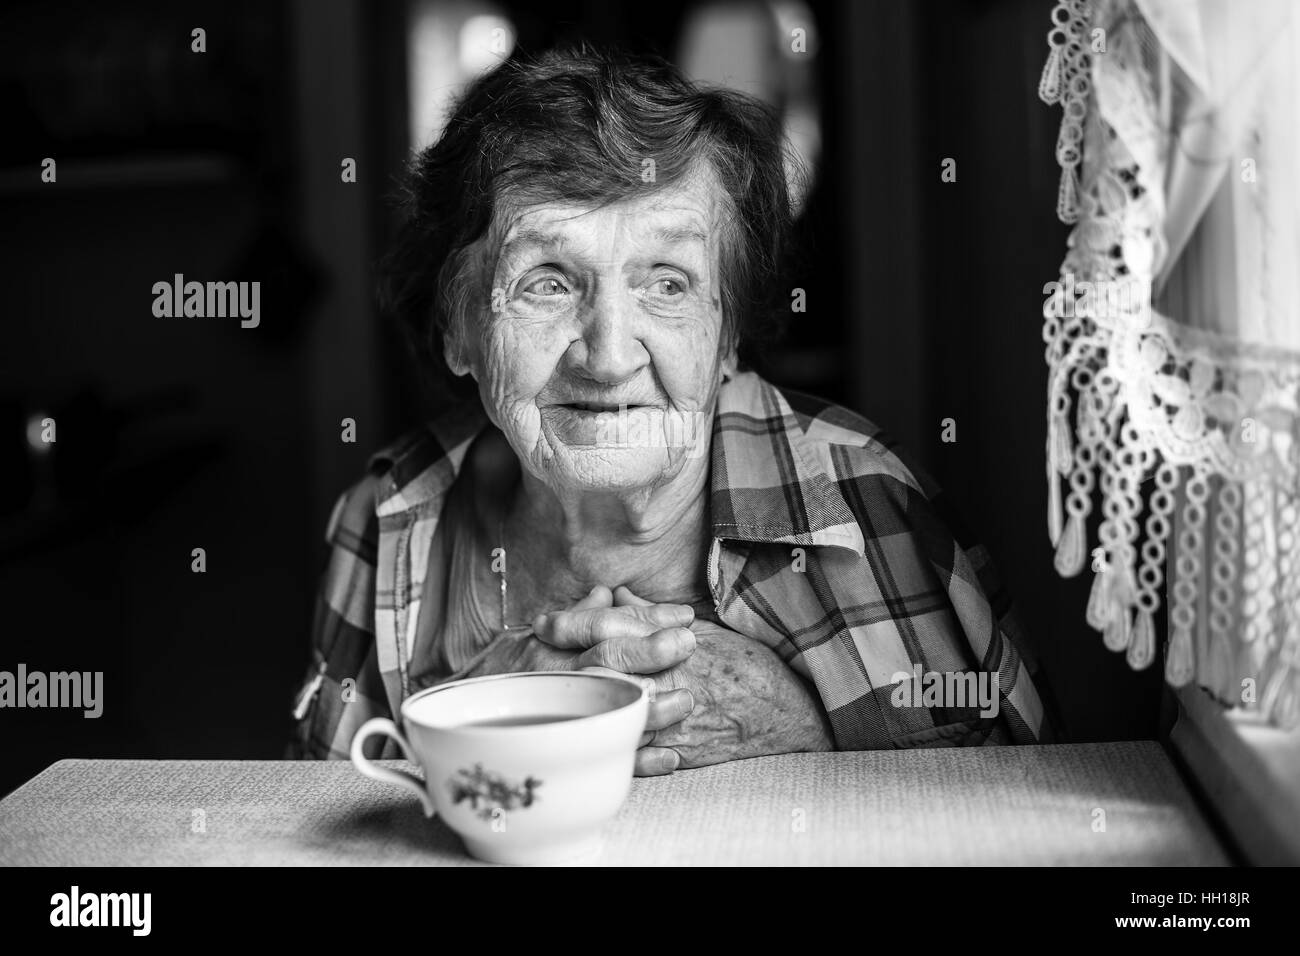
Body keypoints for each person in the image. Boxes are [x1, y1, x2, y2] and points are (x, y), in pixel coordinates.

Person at [292, 45, 1058, 773]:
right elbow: (317, 824)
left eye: (667, 282)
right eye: (549, 281)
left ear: (728, 336)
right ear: (458, 326)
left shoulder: (865, 504)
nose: (608, 356)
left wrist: (809, 722)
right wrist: (479, 718)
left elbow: (1025, 799)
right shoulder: (388, 520)